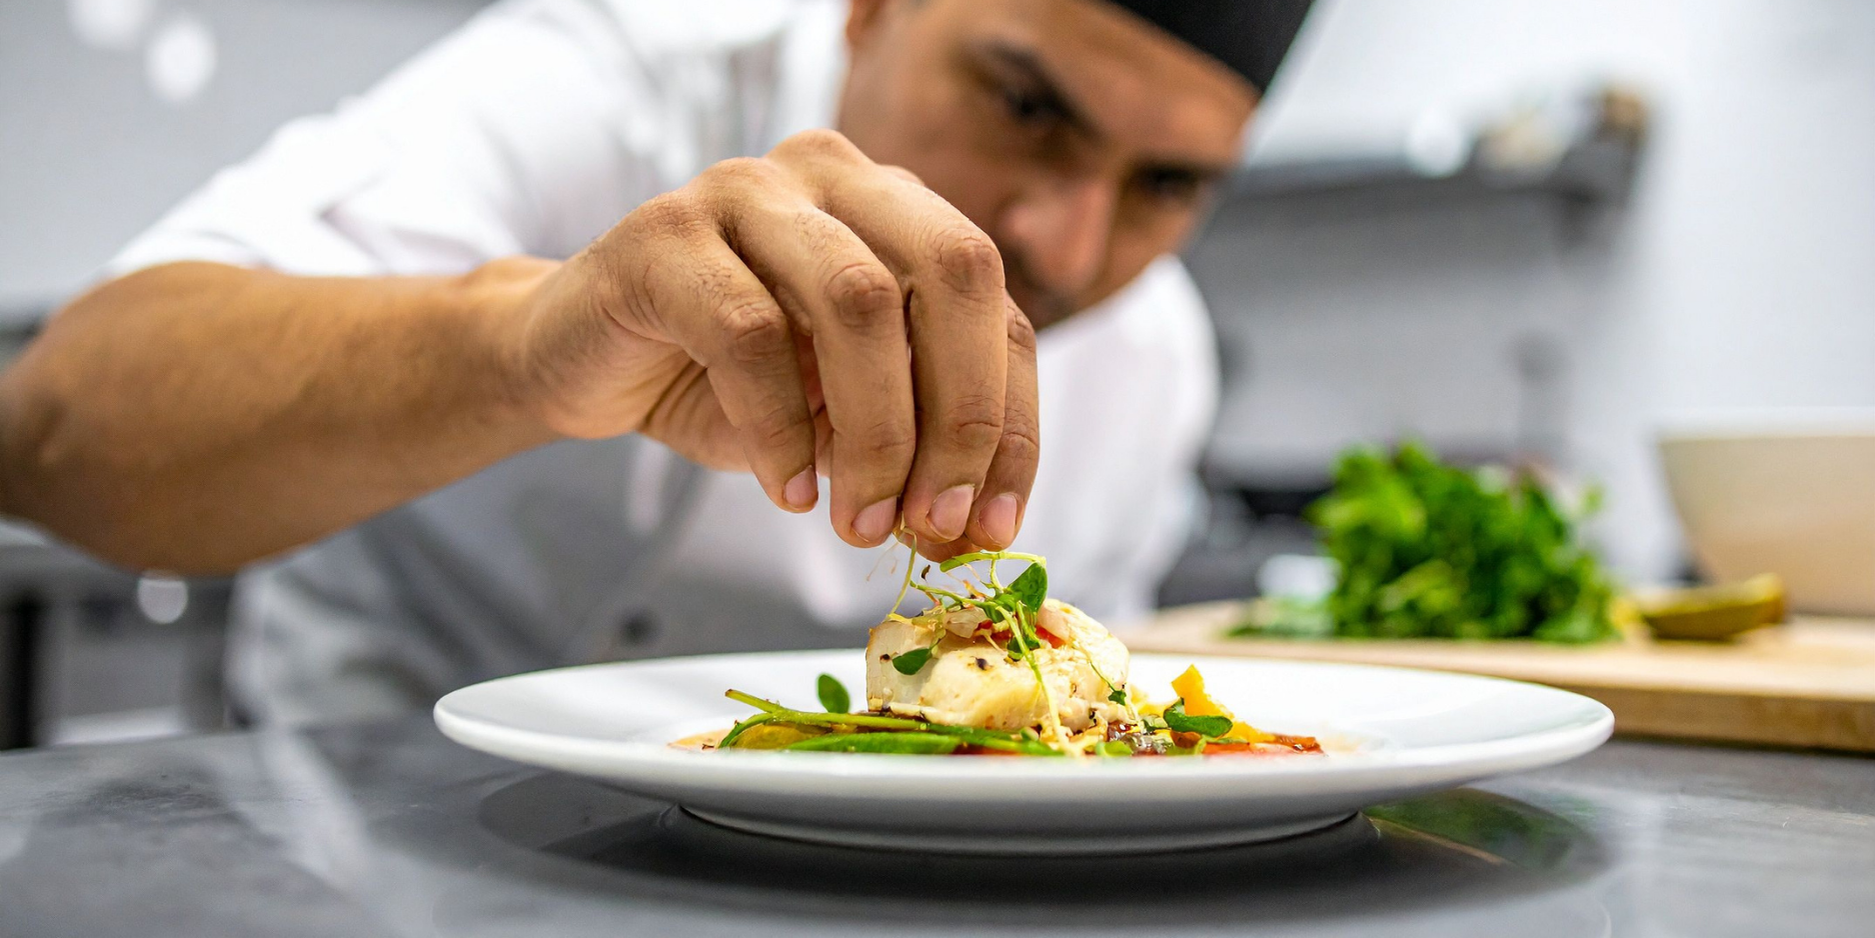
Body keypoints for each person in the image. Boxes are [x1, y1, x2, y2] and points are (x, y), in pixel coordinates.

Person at [0, 0, 1311, 724]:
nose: (1060, 241)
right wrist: (524, 347)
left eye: (1169, 183)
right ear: (871, 12)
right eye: (1024, 105)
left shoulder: (1154, 360)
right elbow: (52, 431)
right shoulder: (611, 87)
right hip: (367, 833)